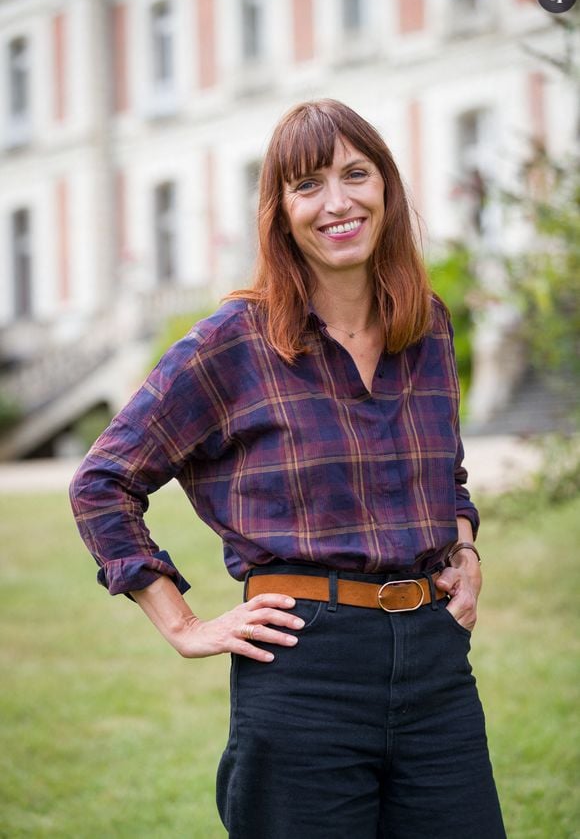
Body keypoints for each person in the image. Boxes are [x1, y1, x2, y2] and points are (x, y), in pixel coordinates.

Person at [70, 99, 506, 838]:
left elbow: (443, 470)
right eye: (308, 185)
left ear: (387, 188)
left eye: (355, 174)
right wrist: (181, 621)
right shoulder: (232, 341)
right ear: (280, 211)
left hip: (437, 663)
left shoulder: (425, 322)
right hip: (305, 667)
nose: (337, 202)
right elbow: (102, 483)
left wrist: (463, 543)